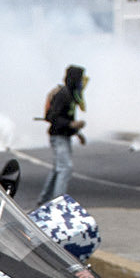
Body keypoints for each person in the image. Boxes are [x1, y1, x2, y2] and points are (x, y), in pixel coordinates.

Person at [41, 63, 87, 199]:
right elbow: (52, 117)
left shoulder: (70, 95)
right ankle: (58, 202)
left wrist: (77, 132)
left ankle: (44, 199)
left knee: (58, 168)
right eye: (80, 79)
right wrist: (71, 124)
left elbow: (67, 118)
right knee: (65, 168)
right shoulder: (63, 94)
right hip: (58, 137)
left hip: (63, 136)